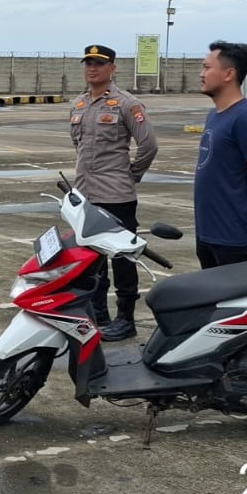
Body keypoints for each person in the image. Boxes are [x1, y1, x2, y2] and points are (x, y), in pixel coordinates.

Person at [69, 44, 159, 341]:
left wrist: (131, 176)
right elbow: (79, 145)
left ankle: (125, 319)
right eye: (88, 63)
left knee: (122, 261)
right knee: (91, 261)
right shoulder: (79, 104)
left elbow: (148, 145)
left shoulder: (127, 104)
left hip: (117, 196)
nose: (92, 68)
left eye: (99, 63)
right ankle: (99, 315)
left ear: (112, 68)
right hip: (86, 197)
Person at [193, 41, 247, 269]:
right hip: (209, 232)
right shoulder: (215, 115)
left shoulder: (245, 119)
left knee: (234, 292)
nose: (201, 74)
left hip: (233, 238)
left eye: (207, 67)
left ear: (229, 74)